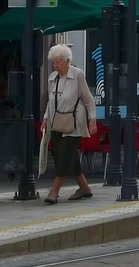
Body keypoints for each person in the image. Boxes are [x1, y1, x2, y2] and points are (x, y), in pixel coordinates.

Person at [41, 43, 97, 205]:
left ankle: (54, 192)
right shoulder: (53, 78)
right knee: (61, 155)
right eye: (53, 62)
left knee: (65, 155)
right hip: (56, 122)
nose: (55, 65)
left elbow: (88, 99)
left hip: (74, 123)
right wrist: (45, 118)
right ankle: (85, 188)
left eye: (57, 62)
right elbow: (50, 102)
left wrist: (92, 119)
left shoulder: (77, 75)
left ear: (67, 61)